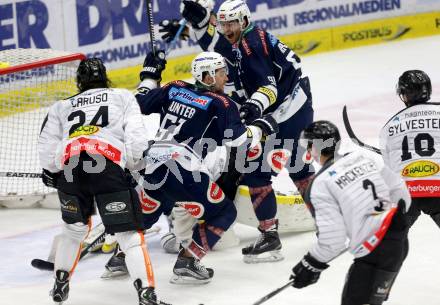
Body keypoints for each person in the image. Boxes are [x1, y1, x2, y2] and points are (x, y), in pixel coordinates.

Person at [161, 0, 315, 263]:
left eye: (231, 23)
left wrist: (254, 106)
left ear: (244, 20)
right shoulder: (246, 39)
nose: (226, 28)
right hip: (297, 107)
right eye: (222, 23)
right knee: (299, 169)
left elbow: (269, 88)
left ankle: (270, 237)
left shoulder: (251, 45)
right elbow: (219, 50)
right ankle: (330, 221)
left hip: (285, 112)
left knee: (255, 173)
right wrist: (198, 26)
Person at [130, 49, 279, 284]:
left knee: (144, 216)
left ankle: (119, 257)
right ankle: (188, 260)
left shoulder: (174, 87)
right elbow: (238, 141)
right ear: (208, 76)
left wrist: (149, 75)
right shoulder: (222, 103)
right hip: (183, 169)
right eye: (221, 73)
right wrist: (261, 126)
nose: (226, 78)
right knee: (225, 212)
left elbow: (137, 103)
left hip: (152, 165)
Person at [38, 58, 169, 305]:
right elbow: (137, 139)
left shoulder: (61, 106)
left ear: (79, 82)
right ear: (106, 77)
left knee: (73, 231)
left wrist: (53, 171)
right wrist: (132, 165)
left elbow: (47, 151)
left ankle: (60, 282)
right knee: (129, 236)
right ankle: (146, 295)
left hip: (71, 170)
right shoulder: (121, 96)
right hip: (106, 167)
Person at [289, 120, 411, 305]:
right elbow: (400, 190)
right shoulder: (363, 157)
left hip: (375, 252)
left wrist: (310, 264)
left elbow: (333, 240)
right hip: (399, 241)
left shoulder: (320, 185)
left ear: (314, 148)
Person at [380, 70, 440, 228]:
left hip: (407, 192)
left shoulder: (389, 126)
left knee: (389, 241)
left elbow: (389, 169)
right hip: (438, 188)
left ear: (405, 95)